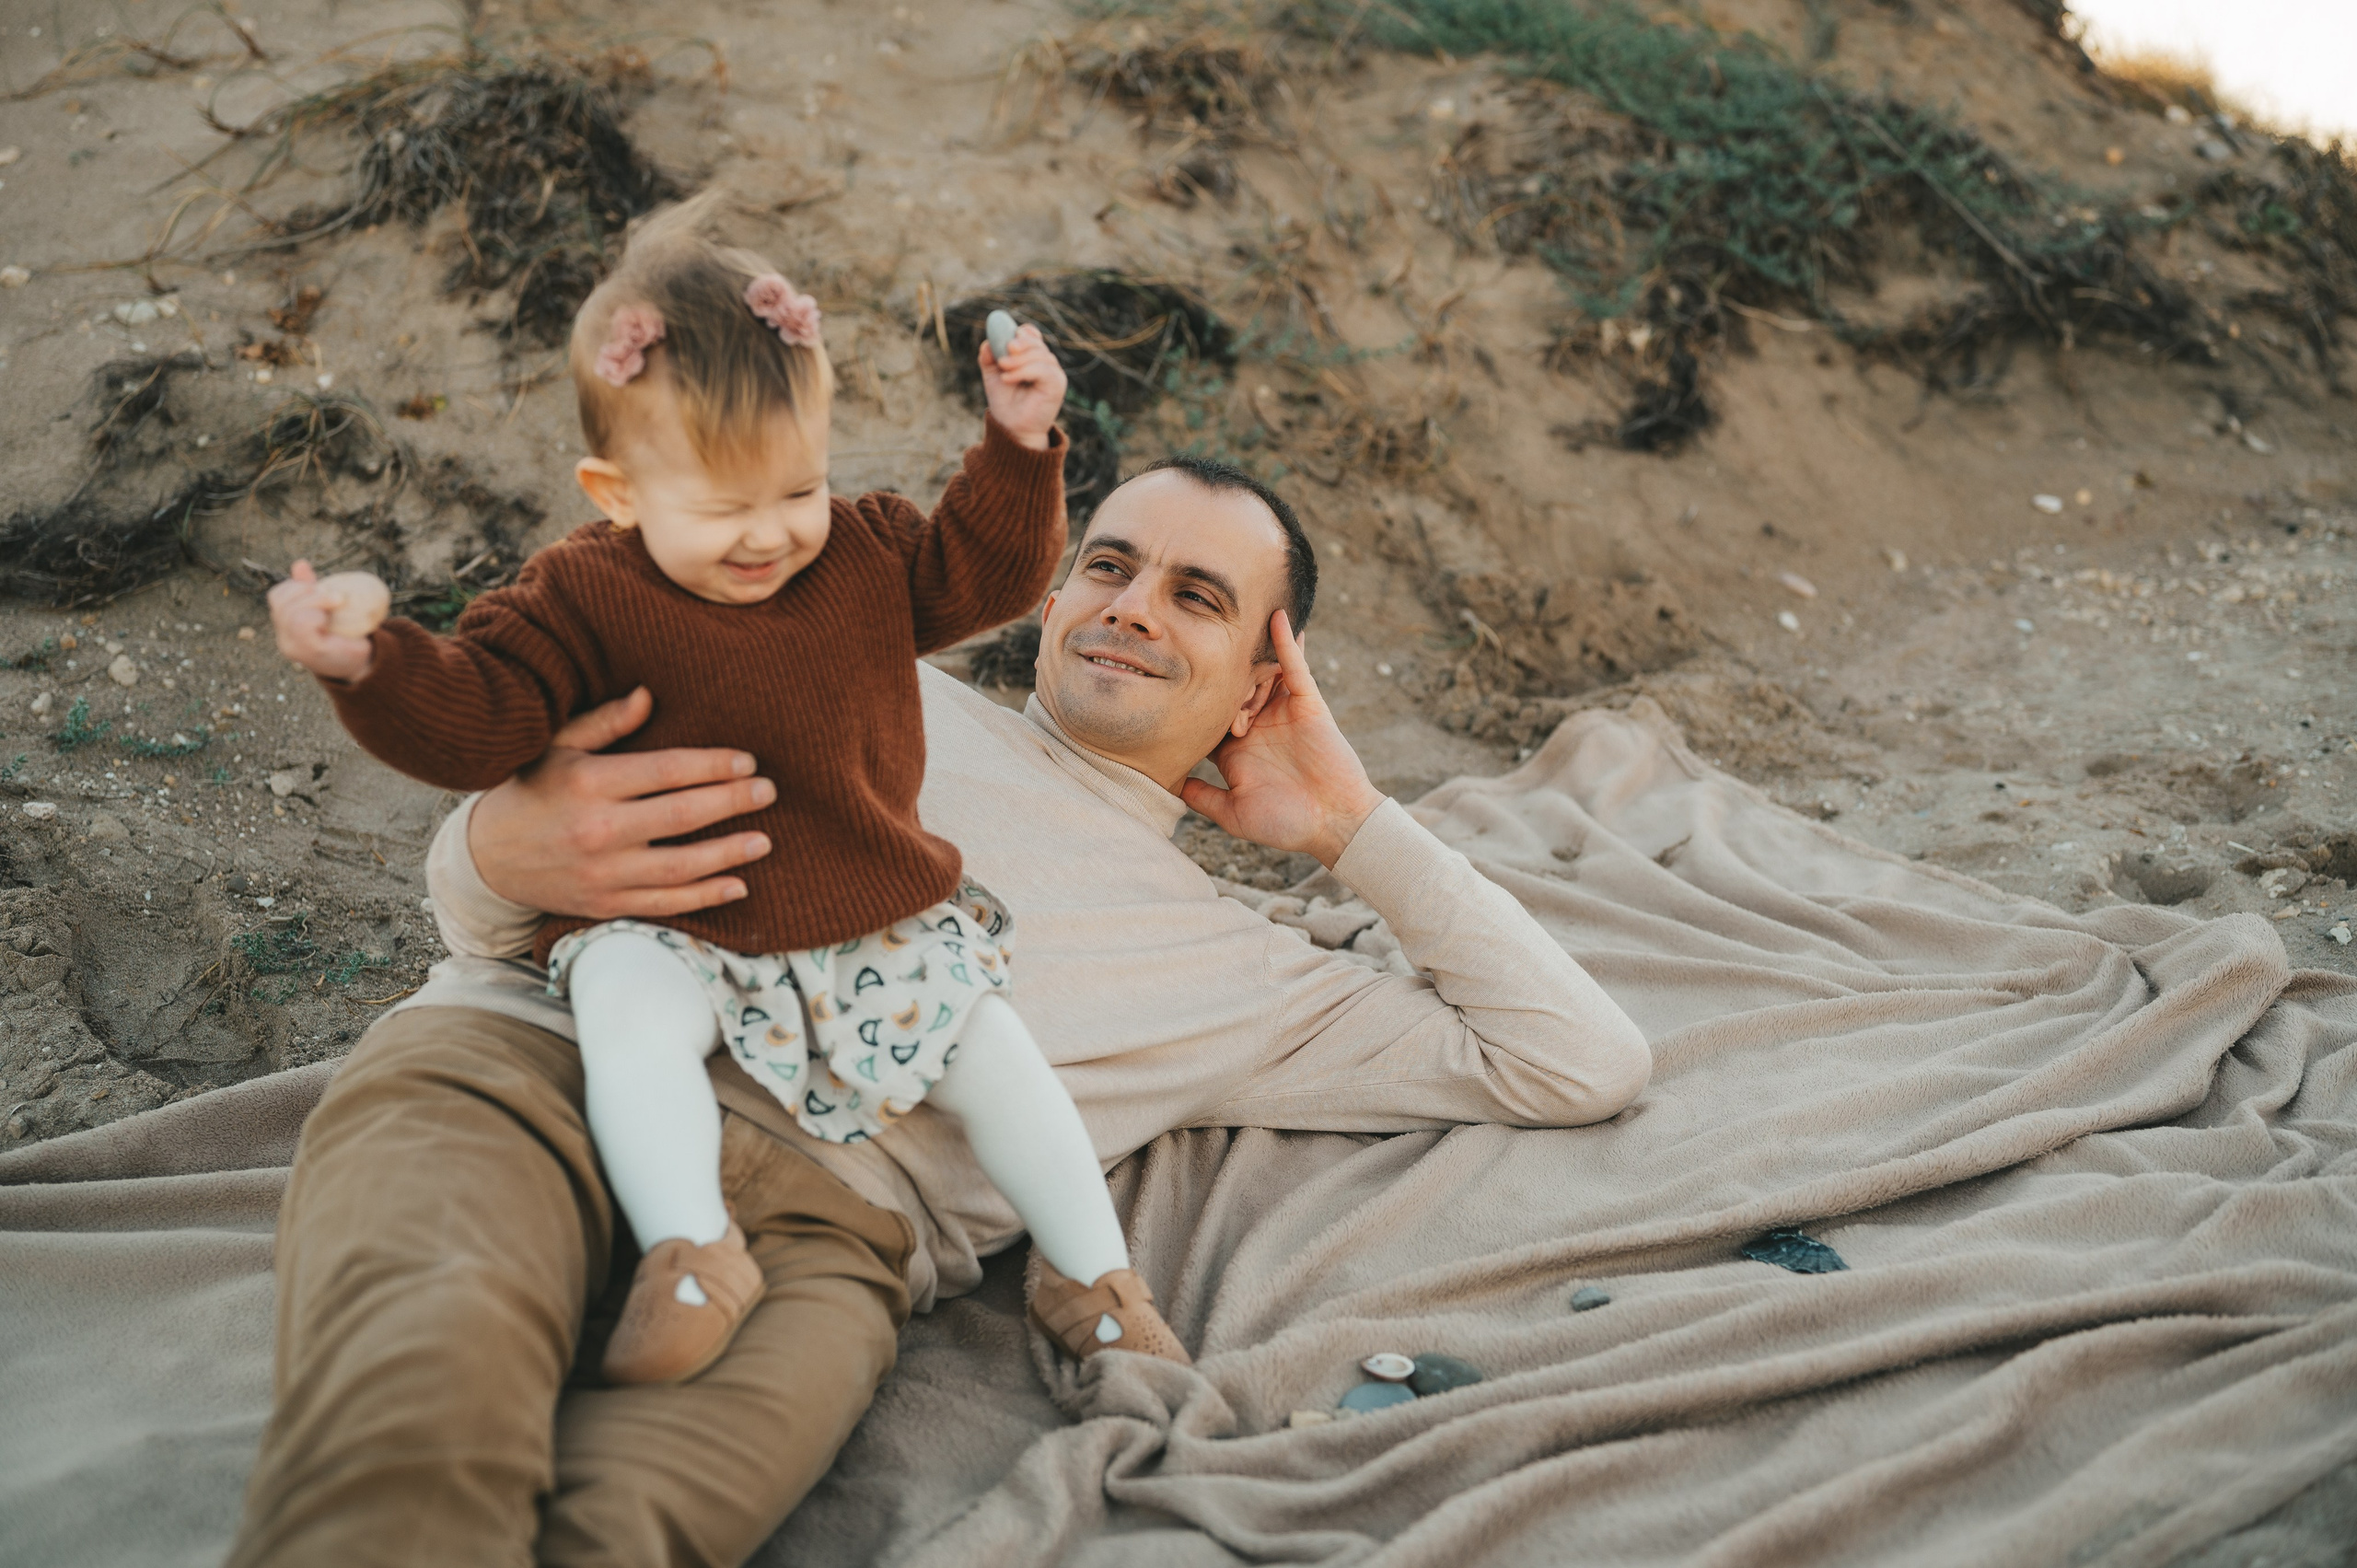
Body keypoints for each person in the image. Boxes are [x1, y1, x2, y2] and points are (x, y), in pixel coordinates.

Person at [227, 448, 1654, 1566]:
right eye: (1110, 564)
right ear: (1048, 593)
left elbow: (1575, 1059)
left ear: (1260, 682)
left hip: (827, 1234)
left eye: (1198, 598)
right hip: (536, 1068)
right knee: (414, 1426)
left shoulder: (1245, 973)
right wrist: (485, 853)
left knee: (632, 1528)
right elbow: (508, 867)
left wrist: (1349, 823)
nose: (1134, 608)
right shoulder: (849, 683)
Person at [262, 200, 1181, 1387]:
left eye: (796, 489)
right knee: (630, 1033)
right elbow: (482, 709)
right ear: (616, 490)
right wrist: (370, 663)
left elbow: (986, 572)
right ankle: (692, 1251)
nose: (769, 535)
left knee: (999, 1059)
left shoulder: (860, 551)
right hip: (667, 921)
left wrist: (1016, 444)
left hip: (864, 907)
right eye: (721, 507)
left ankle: (1090, 1274)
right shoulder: (578, 596)